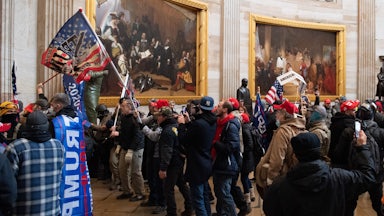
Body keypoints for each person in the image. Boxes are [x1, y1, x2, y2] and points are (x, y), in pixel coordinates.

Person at [263, 132, 376, 216]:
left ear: (295, 156)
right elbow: (367, 177)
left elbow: (269, 209)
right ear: (319, 152)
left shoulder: (279, 186)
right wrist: (362, 148)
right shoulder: (340, 177)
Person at [5, 111, 65, 215]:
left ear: (26, 126)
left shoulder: (16, 147)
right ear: (46, 126)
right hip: (53, 211)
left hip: (23, 212)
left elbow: (7, 185)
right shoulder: (58, 146)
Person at [255, 99, 306, 196]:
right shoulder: (300, 128)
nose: (276, 115)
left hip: (282, 177)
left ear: (284, 115)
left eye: (278, 112)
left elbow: (277, 159)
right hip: (294, 175)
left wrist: (271, 179)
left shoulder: (283, 131)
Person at [178, 96, 217, 216]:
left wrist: (182, 125)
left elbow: (184, 140)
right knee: (204, 195)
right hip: (206, 161)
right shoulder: (212, 122)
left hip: (196, 164)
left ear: (199, 108)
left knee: (198, 199)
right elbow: (198, 134)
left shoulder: (198, 124)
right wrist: (190, 122)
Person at [157, 106, 193, 216]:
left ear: (164, 117)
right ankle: (190, 207)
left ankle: (172, 212)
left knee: (168, 189)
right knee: (182, 184)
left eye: (159, 116)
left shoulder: (167, 131)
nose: (157, 118)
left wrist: (163, 168)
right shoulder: (176, 126)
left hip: (172, 163)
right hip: (179, 160)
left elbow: (167, 151)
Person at [110, 98, 146, 201]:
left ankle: (140, 193)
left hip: (136, 148)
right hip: (125, 146)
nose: (121, 107)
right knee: (122, 170)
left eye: (124, 106)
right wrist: (118, 135)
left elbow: (137, 136)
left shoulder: (136, 118)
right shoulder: (123, 117)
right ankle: (127, 191)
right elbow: (124, 133)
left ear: (129, 107)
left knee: (135, 172)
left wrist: (131, 149)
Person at [211, 100, 241, 216]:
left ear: (225, 109)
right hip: (218, 162)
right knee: (219, 192)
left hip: (227, 164)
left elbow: (232, 146)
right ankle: (222, 213)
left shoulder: (231, 125)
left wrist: (215, 143)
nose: (216, 108)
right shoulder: (218, 122)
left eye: (218, 106)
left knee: (224, 193)